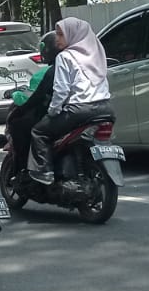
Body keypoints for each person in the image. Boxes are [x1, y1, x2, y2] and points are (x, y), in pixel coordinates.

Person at [28, 16, 113, 185]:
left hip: (79, 110)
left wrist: (53, 111)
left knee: (39, 132)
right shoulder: (97, 53)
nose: (57, 39)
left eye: (61, 35)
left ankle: (44, 171)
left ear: (73, 34)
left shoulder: (65, 57)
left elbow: (61, 90)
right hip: (106, 108)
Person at [4, 32, 62, 153]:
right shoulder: (76, 65)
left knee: (17, 124)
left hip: (53, 114)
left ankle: (24, 161)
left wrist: (14, 94)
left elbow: (28, 99)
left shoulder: (45, 72)